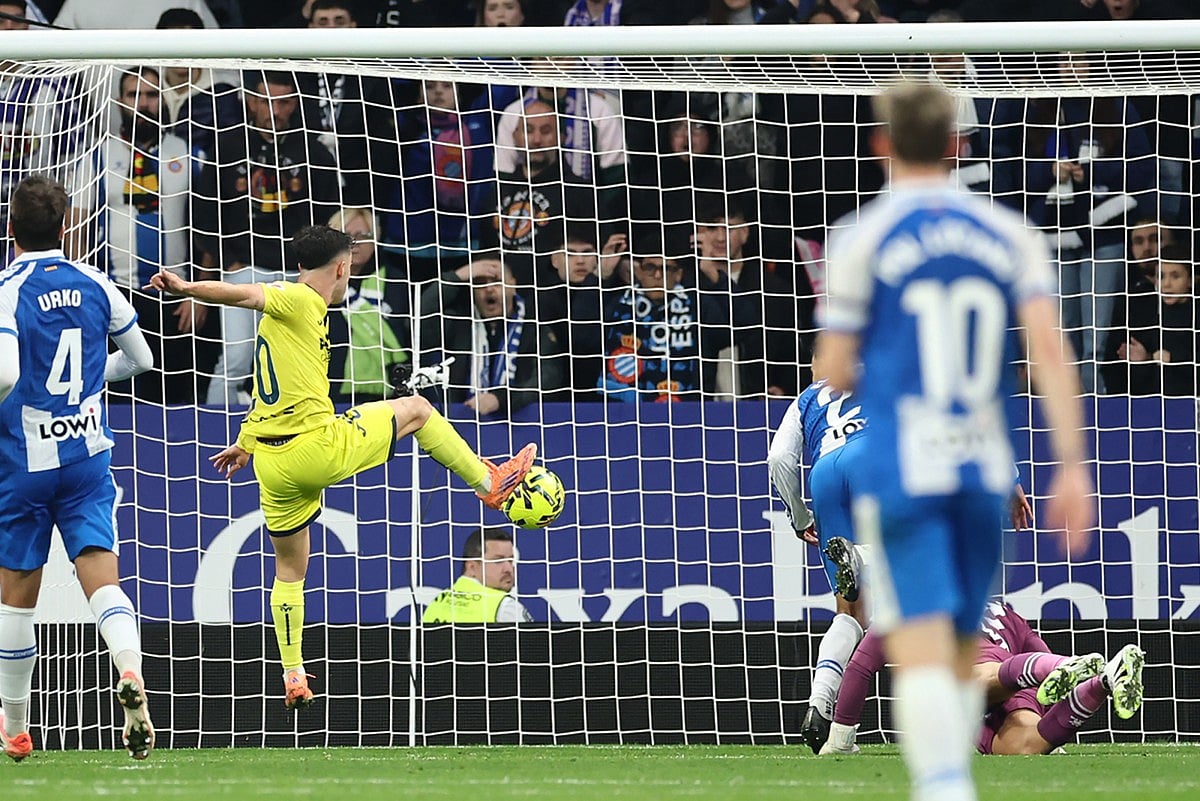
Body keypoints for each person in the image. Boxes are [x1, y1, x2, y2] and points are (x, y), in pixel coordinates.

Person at [818, 81, 1093, 801]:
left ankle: (943, 784)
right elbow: (1050, 354)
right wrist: (1070, 465)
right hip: (981, 464)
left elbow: (834, 368)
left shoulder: (861, 238)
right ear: (956, 146)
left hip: (904, 462)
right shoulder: (1009, 235)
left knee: (919, 639)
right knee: (969, 636)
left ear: (881, 145)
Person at [146, 225, 538, 710]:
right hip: (316, 447)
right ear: (341, 267)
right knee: (416, 409)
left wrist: (245, 444)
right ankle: (491, 482)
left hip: (272, 461)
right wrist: (187, 288)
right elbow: (242, 292)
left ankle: (293, 671)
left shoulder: (294, 313)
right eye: (350, 263)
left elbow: (273, 386)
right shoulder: (300, 298)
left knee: (290, 569)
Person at [0, 175, 155, 761]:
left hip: (25, 461)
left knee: (16, 596)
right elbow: (141, 359)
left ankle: (15, 727)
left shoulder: (8, 289)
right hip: (88, 456)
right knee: (103, 582)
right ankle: (131, 673)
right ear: (66, 226)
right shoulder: (98, 283)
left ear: (11, 228)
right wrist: (92, 383)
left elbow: (8, 374)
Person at [823, 602, 1146, 755]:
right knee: (1026, 747)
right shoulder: (1005, 612)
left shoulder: (908, 604)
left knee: (972, 680)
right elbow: (1041, 659)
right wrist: (1046, 717)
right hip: (1016, 671)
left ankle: (1070, 664)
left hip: (965, 672)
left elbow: (860, 667)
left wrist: (840, 737)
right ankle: (1105, 679)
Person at [193, 70, 340, 405]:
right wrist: (227, 259)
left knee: (297, 363)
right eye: (266, 101)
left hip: (296, 278)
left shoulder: (314, 151)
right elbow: (202, 213)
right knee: (237, 359)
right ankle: (215, 429)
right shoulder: (228, 146)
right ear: (250, 102)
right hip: (242, 271)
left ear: (295, 105)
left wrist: (313, 271)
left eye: (284, 102)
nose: (274, 111)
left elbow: (330, 216)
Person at [766, 343, 870, 754]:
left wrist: (799, 516)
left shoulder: (806, 399)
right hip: (872, 460)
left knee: (851, 611)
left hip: (824, 475)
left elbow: (778, 459)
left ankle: (821, 705)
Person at [103, 65, 209, 404]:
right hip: (117, 298)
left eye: (151, 95)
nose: (143, 103)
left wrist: (200, 293)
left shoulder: (189, 154)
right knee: (120, 402)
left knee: (177, 401)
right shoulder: (97, 156)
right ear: (120, 100)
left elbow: (211, 227)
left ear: (163, 100)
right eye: (135, 95)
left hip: (175, 299)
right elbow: (77, 227)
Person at [417, 254, 564, 417]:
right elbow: (417, 321)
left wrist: (500, 399)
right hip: (461, 419)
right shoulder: (458, 322)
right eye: (480, 284)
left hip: (521, 422)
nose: (488, 289)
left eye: (496, 282)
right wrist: (458, 276)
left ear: (513, 286)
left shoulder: (535, 327)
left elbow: (548, 378)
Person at [423, 528, 532, 623]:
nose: (508, 569)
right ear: (472, 567)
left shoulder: (438, 601)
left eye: (510, 560)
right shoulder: (505, 607)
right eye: (498, 560)